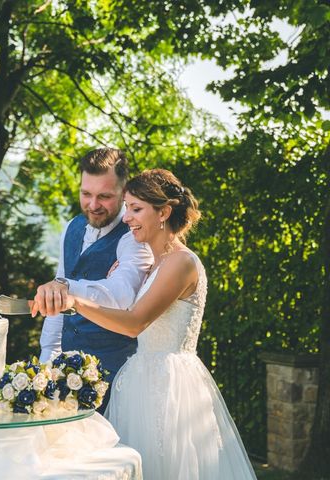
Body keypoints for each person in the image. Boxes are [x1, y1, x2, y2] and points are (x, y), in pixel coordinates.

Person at [33, 169, 257, 479]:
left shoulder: (181, 262)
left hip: (169, 386)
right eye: (126, 207)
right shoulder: (157, 263)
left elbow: (134, 324)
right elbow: (121, 300)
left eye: (136, 209)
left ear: (163, 212)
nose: (126, 218)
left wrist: (73, 300)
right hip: (140, 378)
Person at [34, 147, 153, 413]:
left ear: (124, 193)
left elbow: (122, 295)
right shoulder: (72, 227)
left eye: (104, 196)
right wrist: (46, 364)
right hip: (66, 377)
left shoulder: (135, 235)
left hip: (116, 378)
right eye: (86, 194)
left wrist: (66, 288)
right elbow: (56, 310)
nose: (93, 204)